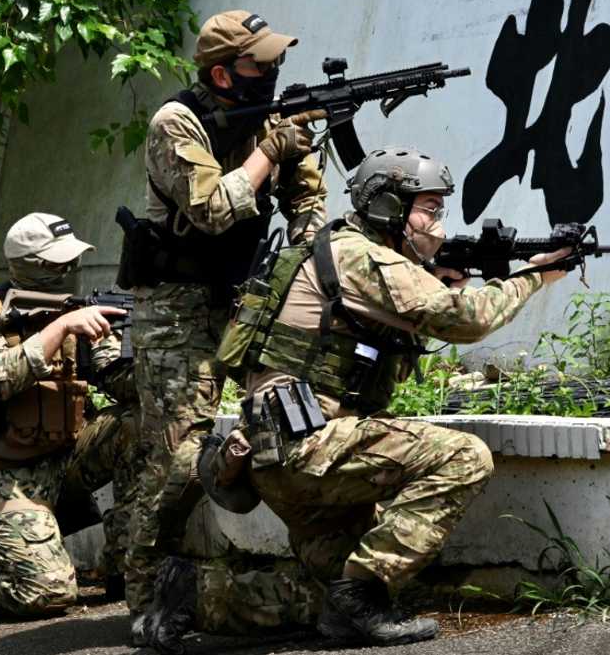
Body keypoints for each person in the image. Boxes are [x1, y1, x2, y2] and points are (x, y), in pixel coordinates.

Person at [151, 146, 571, 650]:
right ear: (389, 207)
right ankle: (360, 597)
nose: (437, 223)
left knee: (321, 596)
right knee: (463, 458)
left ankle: (192, 597)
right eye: (429, 208)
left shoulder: (342, 251)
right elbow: (467, 318)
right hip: (311, 447)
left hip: (278, 451)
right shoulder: (361, 255)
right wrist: (536, 276)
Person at [119, 9, 328, 643]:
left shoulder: (268, 120)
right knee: (180, 457)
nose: (272, 73)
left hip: (241, 301)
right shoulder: (174, 123)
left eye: (275, 63)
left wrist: (307, 250)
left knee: (287, 424)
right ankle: (146, 598)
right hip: (175, 309)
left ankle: (325, 574)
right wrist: (270, 150)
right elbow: (212, 209)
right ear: (221, 71)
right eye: (258, 63)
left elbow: (307, 201)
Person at [0, 212, 135, 618]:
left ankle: (127, 563)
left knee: (140, 426)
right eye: (60, 265)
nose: (71, 272)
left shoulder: (73, 311)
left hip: (62, 463)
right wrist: (61, 329)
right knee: (47, 593)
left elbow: (121, 384)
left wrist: (140, 343)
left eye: (72, 263)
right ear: (30, 266)